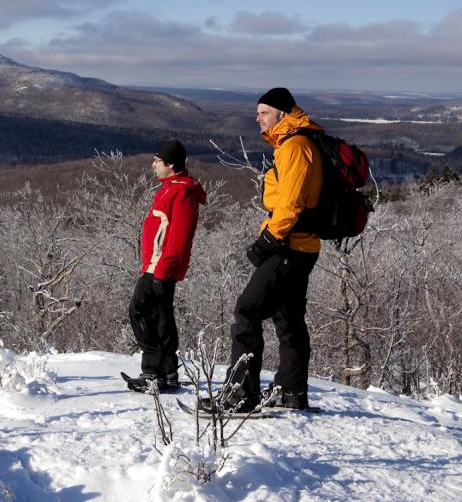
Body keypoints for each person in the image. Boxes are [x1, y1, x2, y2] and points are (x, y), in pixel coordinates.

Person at [219, 87, 325, 412]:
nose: (258, 119)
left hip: (288, 246)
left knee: (247, 311)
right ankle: (291, 392)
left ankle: (241, 394)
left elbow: (290, 203)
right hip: (302, 245)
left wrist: (268, 240)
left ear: (282, 113)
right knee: (289, 318)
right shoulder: (294, 143)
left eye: (264, 113)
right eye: (257, 113)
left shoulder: (294, 146)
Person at [125, 139, 206, 392]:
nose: (153, 164)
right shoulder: (170, 188)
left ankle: (153, 371)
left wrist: (162, 270)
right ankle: (166, 372)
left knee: (140, 310)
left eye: (157, 161)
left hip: (160, 266)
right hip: (155, 264)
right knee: (159, 315)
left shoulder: (182, 191)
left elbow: (179, 236)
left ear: (170, 164)